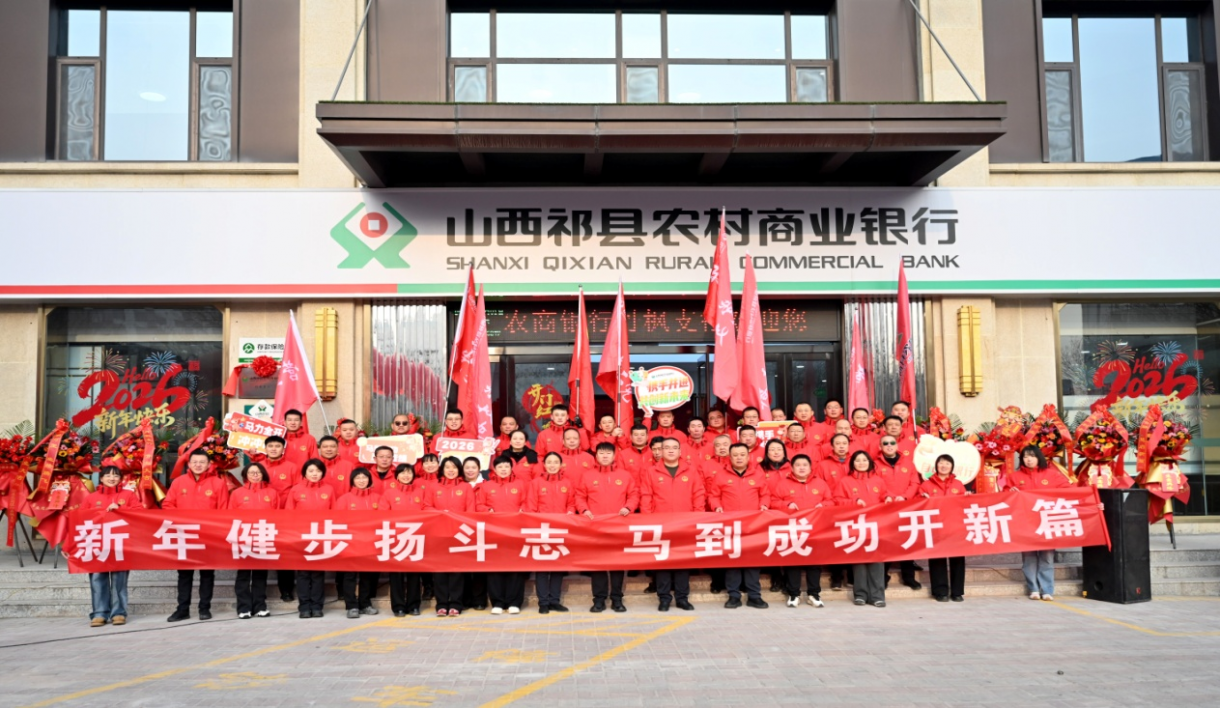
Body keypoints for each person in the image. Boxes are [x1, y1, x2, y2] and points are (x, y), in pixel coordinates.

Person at [163, 449, 229, 622]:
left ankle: (204, 608)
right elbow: (168, 505)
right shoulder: (179, 482)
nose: (198, 465)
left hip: (208, 535)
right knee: (184, 574)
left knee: (207, 573)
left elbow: (223, 509)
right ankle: (182, 609)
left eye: (202, 462)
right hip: (184, 534)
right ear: (189, 464)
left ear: (209, 464)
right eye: (195, 462)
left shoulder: (218, 483)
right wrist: (182, 520)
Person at [640, 438, 704, 612]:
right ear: (660, 451)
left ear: (680, 452)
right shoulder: (652, 471)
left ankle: (682, 598)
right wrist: (647, 519)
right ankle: (664, 598)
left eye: (674, 448)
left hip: (685, 523)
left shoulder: (690, 470)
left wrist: (697, 517)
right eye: (666, 447)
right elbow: (646, 495)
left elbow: (698, 494)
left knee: (683, 562)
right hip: (661, 523)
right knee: (662, 562)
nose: (670, 450)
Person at [575, 443, 639, 612]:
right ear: (596, 456)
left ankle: (617, 599)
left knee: (618, 565)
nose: (605, 456)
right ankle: (599, 599)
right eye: (601, 453)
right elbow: (580, 496)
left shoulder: (624, 475)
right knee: (598, 565)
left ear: (614, 455)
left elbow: (634, 494)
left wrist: (629, 507)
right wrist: (584, 510)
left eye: (608, 453)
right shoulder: (587, 475)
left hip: (619, 527)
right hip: (595, 527)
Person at [707, 443, 769, 609]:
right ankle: (733, 595)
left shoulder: (758, 474)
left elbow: (765, 494)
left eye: (742, 454)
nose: (739, 458)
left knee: (752, 561)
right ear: (730, 457)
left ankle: (754, 596)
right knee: (732, 561)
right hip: (730, 525)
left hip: (753, 525)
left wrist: (764, 505)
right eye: (735, 455)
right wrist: (716, 507)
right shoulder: (721, 475)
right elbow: (713, 496)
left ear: (748, 456)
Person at [83, 466, 142, 626]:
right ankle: (99, 613)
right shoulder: (91, 498)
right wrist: (69, 545)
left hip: (120, 543)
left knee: (119, 580)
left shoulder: (128, 495)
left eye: (115, 475)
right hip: (97, 543)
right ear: (101, 478)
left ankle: (119, 612)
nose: (112, 478)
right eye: (108, 475)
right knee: (97, 579)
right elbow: (79, 521)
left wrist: (121, 509)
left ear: (120, 479)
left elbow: (140, 513)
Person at [1009, 445, 1069, 601]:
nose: (1028, 459)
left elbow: (1069, 491)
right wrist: (1010, 493)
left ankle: (1047, 589)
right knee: (1028, 557)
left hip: (1047, 522)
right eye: (1025, 456)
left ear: (1039, 457)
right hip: (1025, 523)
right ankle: (1033, 589)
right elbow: (1004, 497)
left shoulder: (1052, 475)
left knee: (1047, 557)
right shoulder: (1014, 477)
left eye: (1032, 456)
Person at [770, 455, 829, 608]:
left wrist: (824, 505)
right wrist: (786, 505)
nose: (801, 467)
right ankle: (793, 594)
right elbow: (773, 501)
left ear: (810, 467)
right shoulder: (783, 484)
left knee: (814, 563)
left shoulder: (820, 483)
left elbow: (831, 501)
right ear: (792, 467)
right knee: (793, 562)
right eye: (798, 465)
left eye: (805, 465)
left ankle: (814, 594)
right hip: (793, 530)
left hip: (815, 529)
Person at [836, 451, 889, 608]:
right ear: (852, 463)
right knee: (859, 561)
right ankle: (860, 594)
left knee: (877, 561)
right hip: (856, 525)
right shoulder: (845, 481)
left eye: (864, 460)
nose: (861, 463)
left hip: (876, 525)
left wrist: (888, 498)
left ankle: (877, 596)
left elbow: (885, 495)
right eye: (857, 460)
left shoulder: (878, 480)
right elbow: (837, 500)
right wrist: (854, 501)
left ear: (870, 462)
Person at [478, 456, 529, 615]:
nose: (503, 469)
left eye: (506, 466)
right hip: (493, 533)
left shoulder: (520, 484)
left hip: (516, 532)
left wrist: (523, 510)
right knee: (495, 568)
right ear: (494, 469)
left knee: (516, 567)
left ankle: (514, 602)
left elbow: (527, 502)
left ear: (511, 468)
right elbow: (479, 505)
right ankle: (497, 602)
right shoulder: (487, 486)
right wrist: (487, 510)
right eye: (500, 467)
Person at [285, 459, 335, 618]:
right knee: (303, 573)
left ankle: (317, 606)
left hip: (321, 535)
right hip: (302, 536)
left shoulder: (329, 489)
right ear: (304, 473)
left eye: (318, 471)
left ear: (323, 473)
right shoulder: (296, 490)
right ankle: (304, 607)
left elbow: (334, 513)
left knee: (318, 573)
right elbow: (289, 513)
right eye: (311, 471)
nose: (315, 474)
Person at [526, 452, 575, 613]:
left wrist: (570, 512)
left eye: (555, 462)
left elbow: (571, 503)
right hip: (542, 530)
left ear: (561, 465)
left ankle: (555, 600)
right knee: (542, 568)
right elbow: (531, 507)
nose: (552, 465)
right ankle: (543, 602)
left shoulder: (567, 483)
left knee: (558, 567)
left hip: (561, 529)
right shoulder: (536, 483)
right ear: (544, 465)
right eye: (549, 462)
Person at [424, 456, 473, 616]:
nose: (451, 470)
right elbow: (426, 507)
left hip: (459, 534)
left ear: (459, 469)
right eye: (447, 467)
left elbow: (471, 511)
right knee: (439, 570)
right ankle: (441, 604)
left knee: (457, 571)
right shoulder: (433, 486)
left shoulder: (466, 487)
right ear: (442, 469)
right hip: (438, 533)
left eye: (454, 467)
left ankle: (456, 604)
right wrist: (441, 513)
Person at [228, 462, 278, 619]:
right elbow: (230, 516)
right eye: (251, 473)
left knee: (260, 574)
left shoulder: (272, 493)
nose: (255, 475)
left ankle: (260, 606)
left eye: (258, 472)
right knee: (243, 574)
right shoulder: (237, 493)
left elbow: (278, 515)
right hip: (244, 537)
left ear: (263, 474)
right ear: (245, 475)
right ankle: (243, 607)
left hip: (263, 536)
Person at [874, 434, 922, 591]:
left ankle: (909, 577)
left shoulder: (908, 463)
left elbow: (915, 483)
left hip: (906, 507)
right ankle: (883, 576)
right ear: (880, 447)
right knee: (887, 543)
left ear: (897, 445)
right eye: (885, 443)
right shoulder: (874, 464)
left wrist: (905, 497)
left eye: (892, 443)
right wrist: (890, 497)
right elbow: (876, 484)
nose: (889, 445)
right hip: (886, 508)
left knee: (907, 541)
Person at [336, 469, 386, 618]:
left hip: (371, 543)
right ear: (352, 480)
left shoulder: (378, 498)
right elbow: (338, 521)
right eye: (358, 478)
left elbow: (383, 519)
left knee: (368, 575)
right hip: (350, 543)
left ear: (369, 480)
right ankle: (351, 606)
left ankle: (365, 604)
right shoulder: (344, 499)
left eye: (364, 477)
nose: (361, 480)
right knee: (349, 576)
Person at [921, 454, 967, 602]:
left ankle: (957, 592)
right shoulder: (926, 485)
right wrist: (922, 499)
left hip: (955, 527)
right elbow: (918, 503)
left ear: (952, 467)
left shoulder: (958, 484)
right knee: (937, 559)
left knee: (957, 560)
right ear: (936, 465)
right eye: (941, 463)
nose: (944, 466)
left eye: (947, 463)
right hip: (936, 527)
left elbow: (965, 505)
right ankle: (940, 592)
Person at [383, 463, 425, 616]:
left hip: (415, 536)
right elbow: (382, 514)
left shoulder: (420, 492)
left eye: (409, 473)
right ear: (397, 476)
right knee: (396, 574)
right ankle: (398, 606)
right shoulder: (389, 493)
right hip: (395, 538)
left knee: (414, 573)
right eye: (402, 473)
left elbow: (426, 510)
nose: (406, 476)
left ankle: (414, 605)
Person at [818, 433, 853, 590]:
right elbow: (819, 485)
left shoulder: (856, 461)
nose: (841, 446)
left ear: (848, 445)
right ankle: (836, 577)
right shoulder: (823, 465)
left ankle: (852, 576)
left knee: (853, 541)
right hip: (832, 508)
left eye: (844, 443)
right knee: (836, 542)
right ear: (831, 446)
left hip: (852, 508)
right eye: (837, 443)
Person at [460, 456, 488, 611]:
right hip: (462, 528)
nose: (470, 470)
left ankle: (479, 600)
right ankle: (465, 599)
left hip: (482, 528)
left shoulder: (487, 485)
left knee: (479, 565)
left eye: (473, 467)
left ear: (479, 469)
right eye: (467, 467)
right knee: (463, 564)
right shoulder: (458, 485)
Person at [260, 435, 298, 503]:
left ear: (283, 449)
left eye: (277, 446)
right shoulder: (259, 467)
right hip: (264, 505)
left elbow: (297, 490)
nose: (274, 449)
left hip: (285, 506)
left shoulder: (292, 467)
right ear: (265, 449)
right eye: (270, 446)